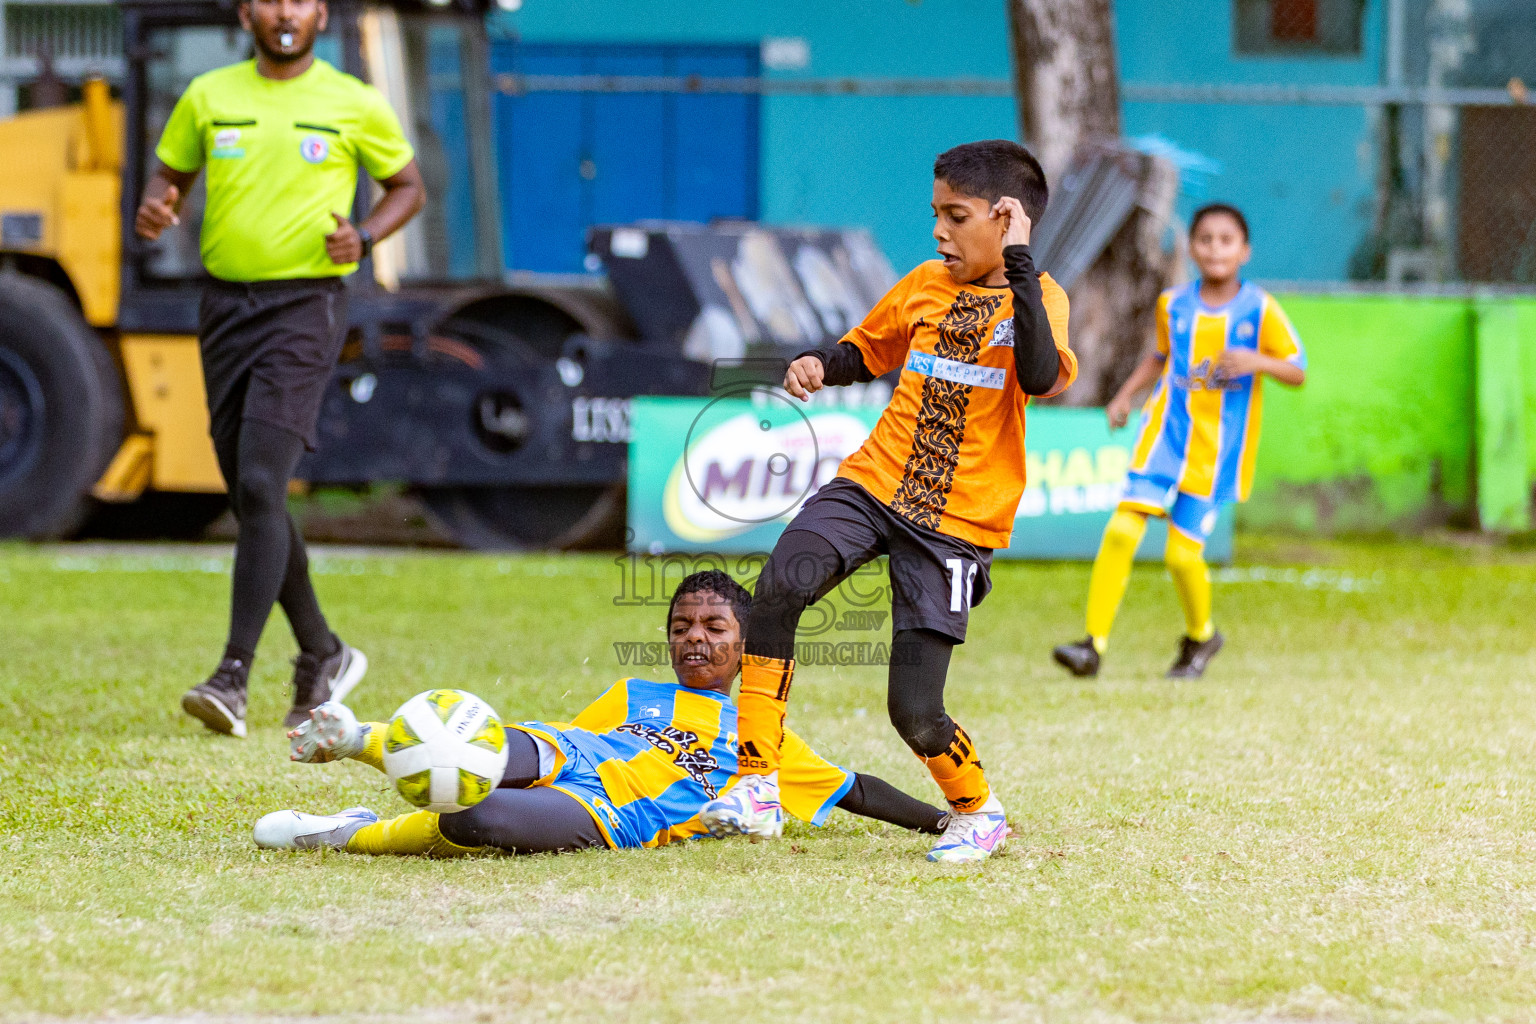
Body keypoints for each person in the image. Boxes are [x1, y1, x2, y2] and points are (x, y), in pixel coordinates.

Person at [698, 140, 1076, 863]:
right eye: (936, 214)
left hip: (956, 524)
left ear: (1006, 218)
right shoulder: (924, 284)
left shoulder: (1042, 299)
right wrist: (818, 362)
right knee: (778, 588)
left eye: (955, 216)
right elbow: (864, 351)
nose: (938, 231)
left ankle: (978, 812)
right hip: (873, 483)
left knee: (915, 712)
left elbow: (1036, 376)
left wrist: (1021, 262)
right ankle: (756, 784)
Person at [134, 0, 425, 737]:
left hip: (305, 306)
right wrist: (157, 207)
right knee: (249, 493)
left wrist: (364, 237)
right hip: (222, 307)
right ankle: (323, 652)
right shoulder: (208, 95)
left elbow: (408, 187)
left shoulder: (354, 102)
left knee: (264, 483)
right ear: (247, 13)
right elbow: (167, 178)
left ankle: (232, 676)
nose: (285, 11)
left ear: (320, 14)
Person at [253, 571, 949, 855]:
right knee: (476, 745)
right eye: (681, 626)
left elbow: (857, 789)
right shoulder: (633, 692)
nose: (695, 638)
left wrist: (950, 819)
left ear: (747, 645)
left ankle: (349, 834)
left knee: (475, 818)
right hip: (565, 753)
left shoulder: (759, 738)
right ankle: (358, 737)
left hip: (610, 814)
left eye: (714, 627)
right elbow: (575, 742)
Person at [1052, 203, 1307, 680]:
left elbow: (1297, 369)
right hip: (1163, 439)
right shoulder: (1173, 304)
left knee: (1181, 556)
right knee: (1122, 530)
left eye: (1226, 240)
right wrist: (1124, 396)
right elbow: (1159, 356)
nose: (1215, 249)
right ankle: (1092, 645)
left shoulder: (1259, 309)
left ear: (1245, 251)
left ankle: (1202, 636)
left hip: (1215, 454)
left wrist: (1256, 362)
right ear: (1191, 248)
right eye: (1205, 239)